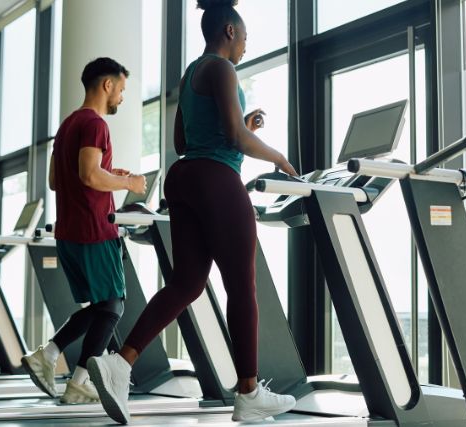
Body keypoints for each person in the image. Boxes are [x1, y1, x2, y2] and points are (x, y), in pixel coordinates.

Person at [87, 0, 298, 424]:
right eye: (245, 41)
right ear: (230, 32)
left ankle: (120, 363)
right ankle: (249, 391)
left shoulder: (191, 72)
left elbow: (184, 141)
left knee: (186, 283)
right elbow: (235, 139)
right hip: (217, 179)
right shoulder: (222, 69)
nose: (244, 50)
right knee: (242, 286)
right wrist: (277, 157)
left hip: (183, 178)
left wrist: (239, 129)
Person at [21, 57, 146, 405]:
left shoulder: (68, 125)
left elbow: (57, 180)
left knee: (104, 305)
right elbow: (89, 176)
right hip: (94, 230)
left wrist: (109, 172)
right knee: (113, 306)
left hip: (69, 233)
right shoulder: (95, 123)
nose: (121, 97)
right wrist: (127, 182)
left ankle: (52, 358)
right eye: (121, 90)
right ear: (107, 85)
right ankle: (75, 379)